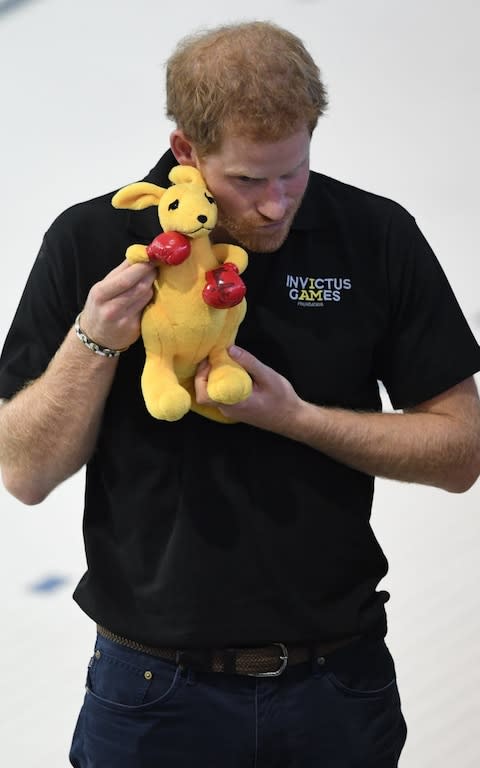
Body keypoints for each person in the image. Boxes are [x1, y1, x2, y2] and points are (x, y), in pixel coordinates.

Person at [1, 20, 479, 768]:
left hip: (338, 683)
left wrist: (295, 418)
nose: (275, 205)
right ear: (184, 150)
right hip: (151, 691)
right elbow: (23, 473)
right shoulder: (93, 239)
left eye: (294, 172)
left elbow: (460, 452)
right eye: (248, 180)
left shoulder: (374, 234)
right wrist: (93, 339)